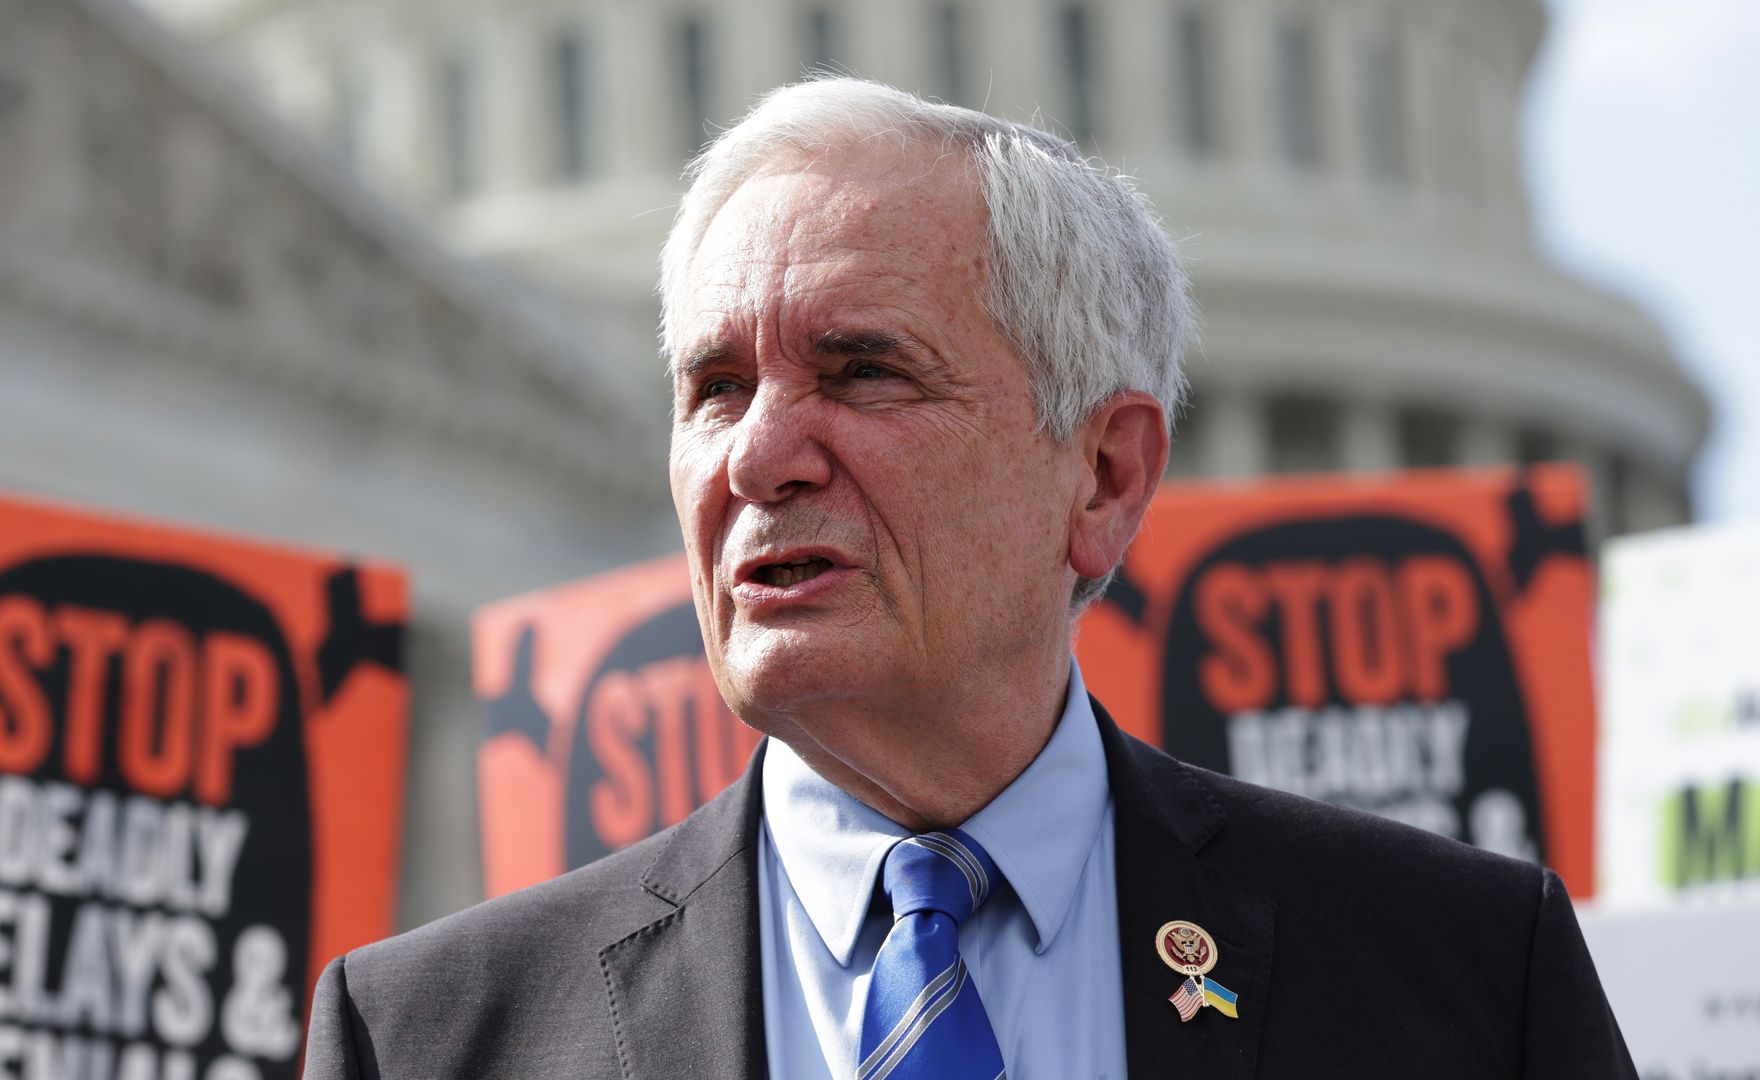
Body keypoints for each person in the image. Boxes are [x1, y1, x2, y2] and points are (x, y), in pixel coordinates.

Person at [302, 78, 1634, 1079]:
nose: (756, 457)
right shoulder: (430, 1038)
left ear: (1104, 476)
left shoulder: (1457, 975)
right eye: (713, 388)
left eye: (862, 371)